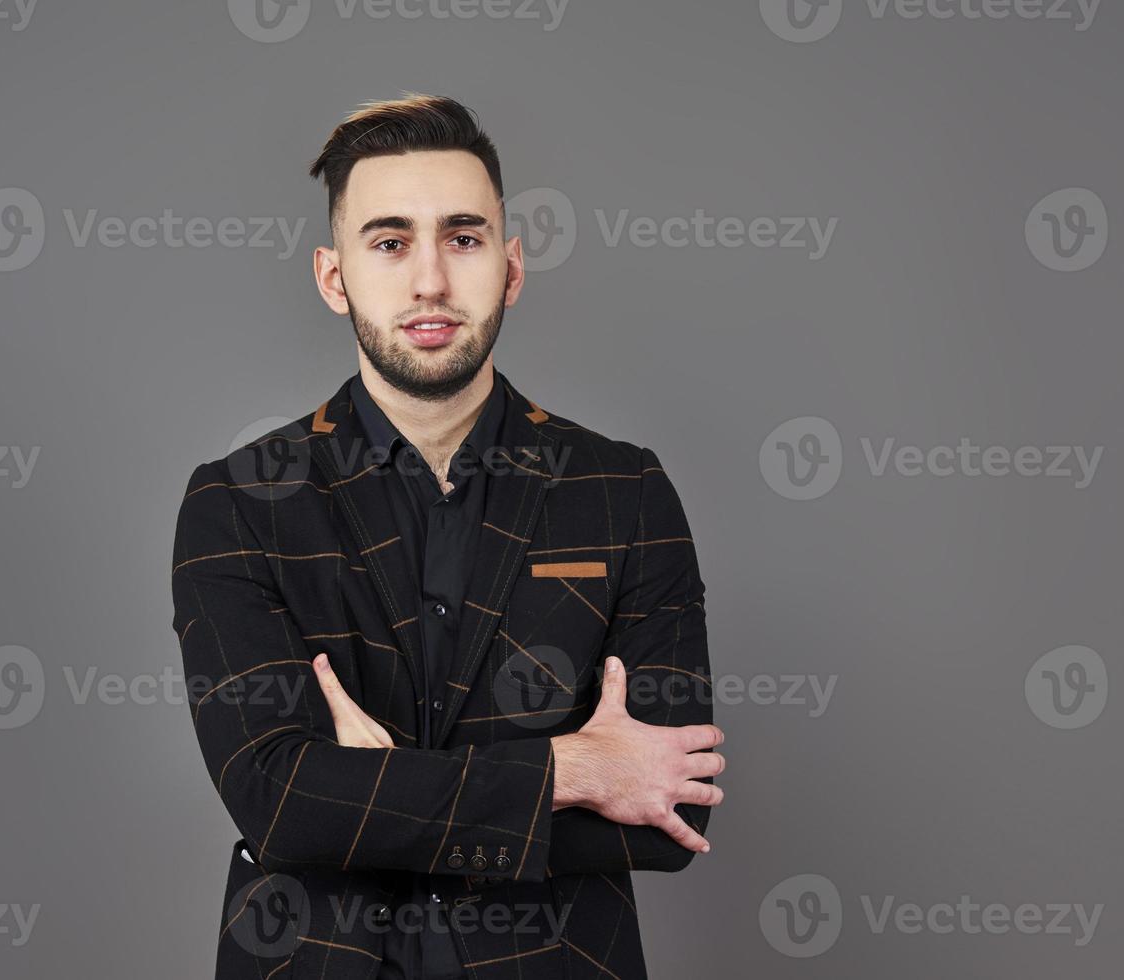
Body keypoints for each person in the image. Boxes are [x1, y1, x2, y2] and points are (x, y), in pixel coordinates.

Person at [170, 92, 724, 979]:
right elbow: (277, 803)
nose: (430, 279)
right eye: (389, 243)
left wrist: (371, 794)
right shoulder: (235, 503)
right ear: (333, 275)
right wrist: (571, 769)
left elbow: (669, 812)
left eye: (462, 239)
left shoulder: (626, 491)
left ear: (509, 268)